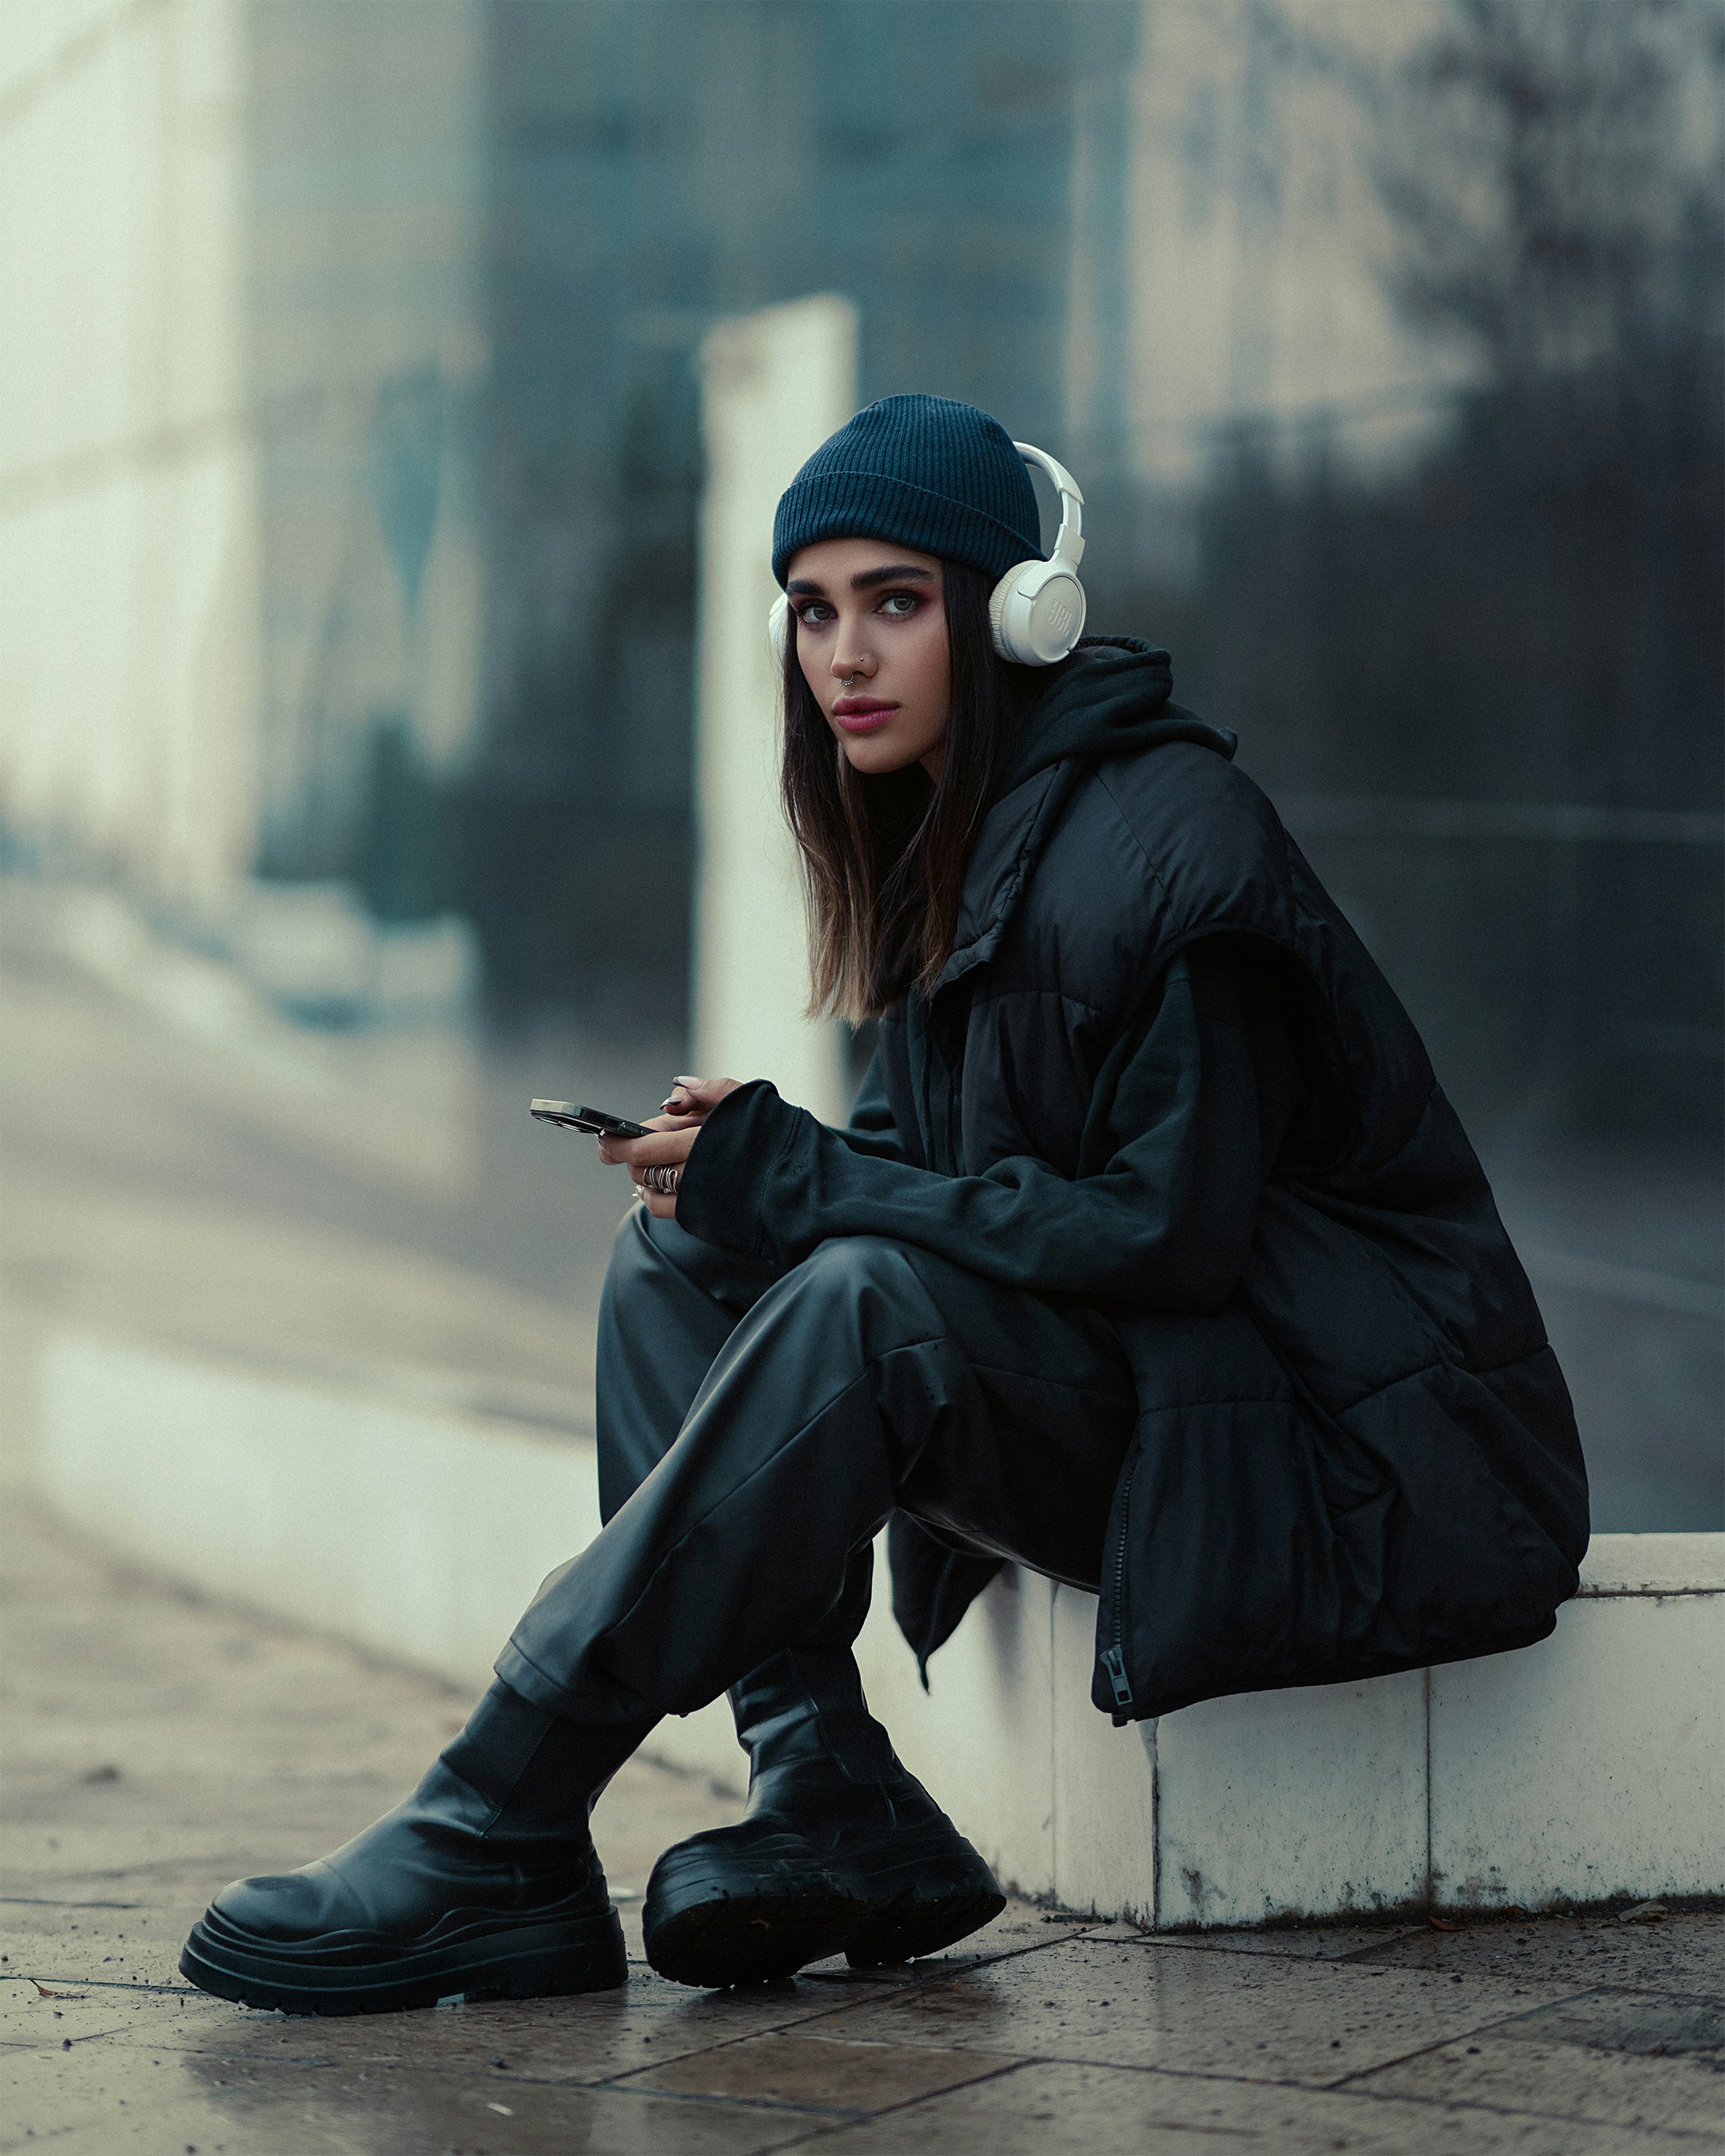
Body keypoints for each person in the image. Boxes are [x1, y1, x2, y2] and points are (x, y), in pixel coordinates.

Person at [180, 395, 1588, 2016]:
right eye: (812, 610)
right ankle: (826, 1787)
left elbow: (1162, 1231)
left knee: (860, 1301)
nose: (843, 653)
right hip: (1187, 1398)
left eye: (894, 603)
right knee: (677, 1264)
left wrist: (808, 1174)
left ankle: (496, 1808)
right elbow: (929, 1180)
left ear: (1011, 614)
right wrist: (748, 1171)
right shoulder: (964, 840)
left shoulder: (1174, 850)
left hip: (1358, 1454)